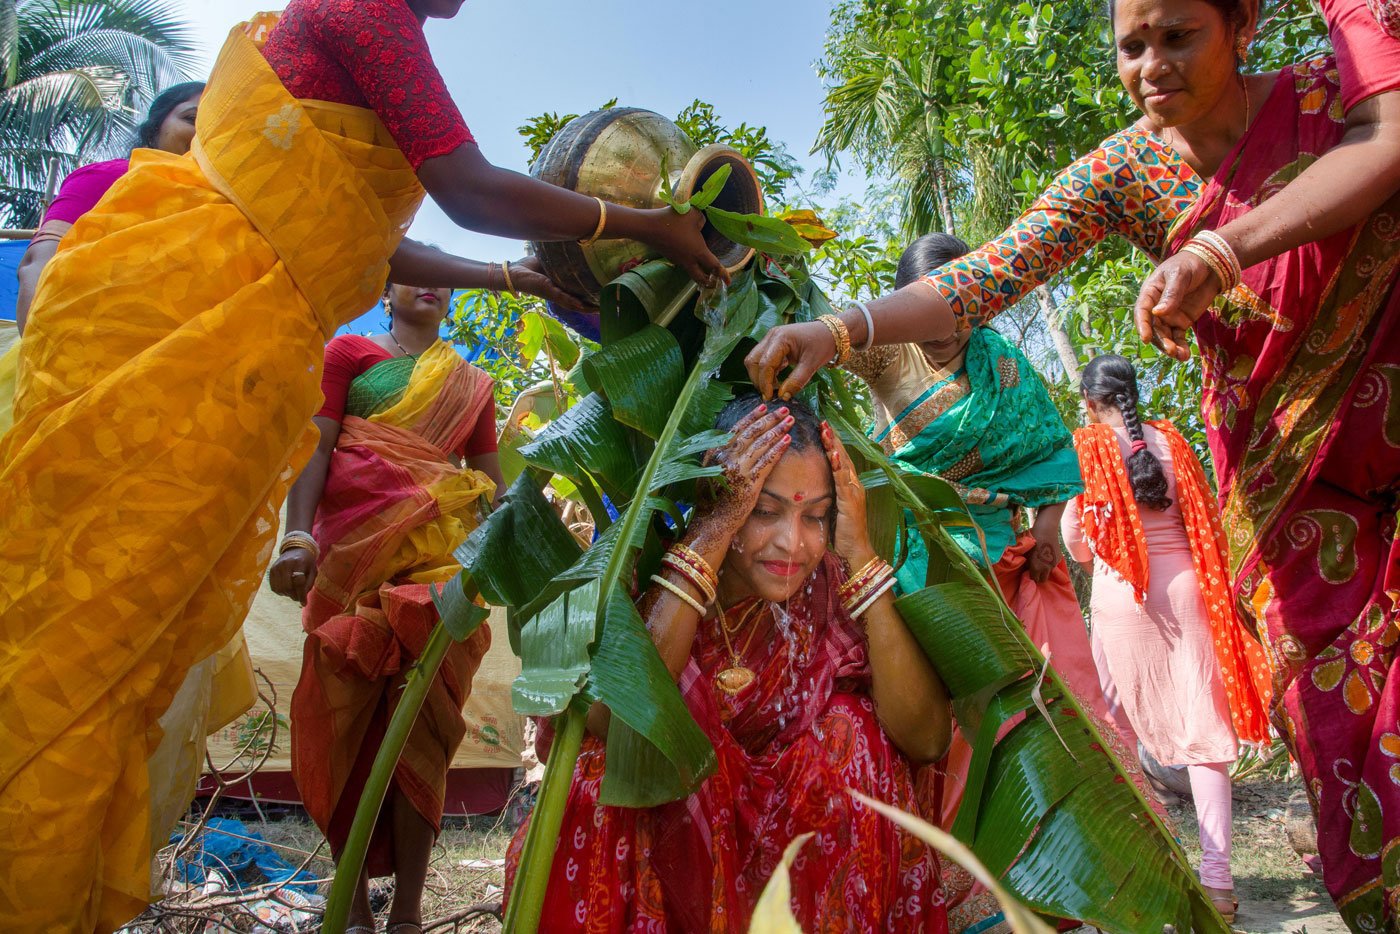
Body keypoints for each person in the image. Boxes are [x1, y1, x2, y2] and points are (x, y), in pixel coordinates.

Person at [0, 0, 727, 928]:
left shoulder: (380, 51)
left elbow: (372, 244)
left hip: (243, 337)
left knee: (136, 646)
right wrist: (652, 226)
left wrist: (516, 277)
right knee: (83, 625)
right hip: (176, 314)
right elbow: (467, 188)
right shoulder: (360, 7)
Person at [745, 1, 1400, 922]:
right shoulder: (1127, 170)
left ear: (1244, 23)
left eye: (1180, 37)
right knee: (1344, 714)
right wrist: (838, 326)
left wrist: (1220, 249)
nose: (1152, 65)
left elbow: (1390, 143)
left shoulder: (1338, 96)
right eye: (1132, 46)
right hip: (1287, 472)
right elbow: (992, 272)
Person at [506, 395, 953, 932]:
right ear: (717, 494)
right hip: (680, 845)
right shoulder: (643, 569)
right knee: (603, 771)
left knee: (860, 735)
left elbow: (926, 740)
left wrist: (859, 555)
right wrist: (713, 532)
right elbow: (611, 722)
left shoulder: (829, 590)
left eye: (815, 517)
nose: (792, 543)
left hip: (793, 843)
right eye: (764, 511)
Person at [845, 232, 1108, 933]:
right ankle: (934, 880)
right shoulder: (883, 350)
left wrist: (1049, 528)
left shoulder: (1006, 367)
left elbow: (1051, 447)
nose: (947, 328)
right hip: (919, 564)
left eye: (963, 310)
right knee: (927, 717)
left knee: (1010, 717)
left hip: (1001, 563)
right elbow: (820, 336)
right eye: (930, 312)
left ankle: (1026, 875)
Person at [268, 281, 499, 933]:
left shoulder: (471, 383)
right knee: (343, 722)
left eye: (444, 280)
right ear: (386, 289)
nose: (431, 284)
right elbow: (315, 449)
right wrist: (297, 536)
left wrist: (531, 535)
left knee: (422, 722)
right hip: (345, 562)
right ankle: (355, 908)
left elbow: (488, 485)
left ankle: (407, 911)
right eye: (414, 273)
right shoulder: (346, 354)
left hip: (439, 572)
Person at [1060, 355, 1271, 923]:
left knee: (1119, 725)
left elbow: (1078, 543)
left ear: (1089, 400)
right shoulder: (1172, 444)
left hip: (1123, 597)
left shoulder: (1086, 450)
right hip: (1189, 592)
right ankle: (1219, 882)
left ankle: (1150, 862)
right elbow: (1204, 517)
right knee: (1204, 733)